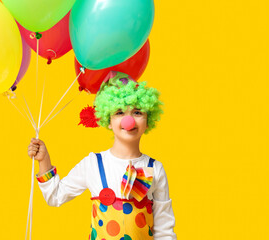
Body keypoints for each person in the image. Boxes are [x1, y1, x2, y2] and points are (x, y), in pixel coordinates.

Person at [28, 71, 176, 239]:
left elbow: (164, 229)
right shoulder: (93, 164)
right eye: (119, 113)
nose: (129, 121)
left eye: (137, 112)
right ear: (108, 120)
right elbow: (55, 196)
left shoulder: (155, 168)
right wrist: (44, 161)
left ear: (148, 119)